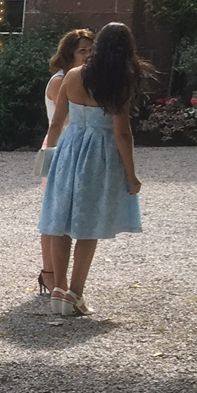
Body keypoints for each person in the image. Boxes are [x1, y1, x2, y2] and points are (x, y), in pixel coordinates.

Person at [38, 22, 150, 316]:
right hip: (99, 153)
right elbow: (122, 133)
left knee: (60, 222)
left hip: (69, 149)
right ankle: (75, 292)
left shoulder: (73, 76)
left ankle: (59, 290)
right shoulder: (118, 83)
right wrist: (131, 174)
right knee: (88, 225)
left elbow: (56, 121)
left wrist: (53, 154)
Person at [37, 28, 95, 298]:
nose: (88, 54)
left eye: (91, 49)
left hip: (76, 149)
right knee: (54, 213)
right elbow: (68, 119)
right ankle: (49, 273)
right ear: (69, 52)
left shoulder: (84, 78)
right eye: (82, 49)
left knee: (63, 212)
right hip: (61, 146)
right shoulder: (62, 80)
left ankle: (54, 276)